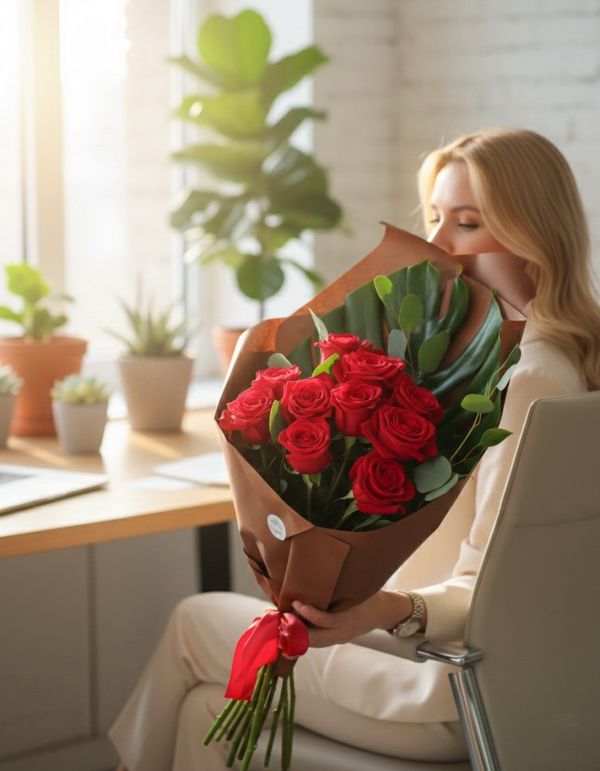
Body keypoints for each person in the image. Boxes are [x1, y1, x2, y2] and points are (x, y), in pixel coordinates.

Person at [109, 129, 600, 771]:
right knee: (204, 712)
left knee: (194, 621)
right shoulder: (562, 358)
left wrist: (378, 609)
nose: (439, 243)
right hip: (504, 684)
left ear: (533, 235)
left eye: (468, 223)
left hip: (452, 689)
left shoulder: (524, 376)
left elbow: (494, 586)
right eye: (434, 218)